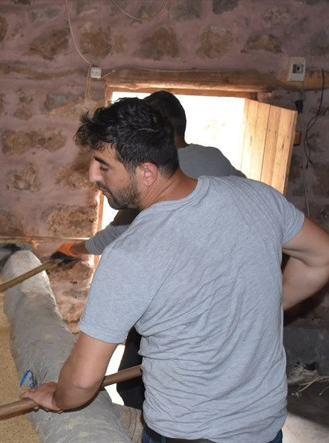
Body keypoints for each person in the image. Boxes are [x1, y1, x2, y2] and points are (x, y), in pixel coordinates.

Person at [29, 97, 329, 443]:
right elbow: (324, 256)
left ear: (147, 172)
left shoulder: (132, 253)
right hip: (264, 437)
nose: (94, 176)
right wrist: (263, 308)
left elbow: (82, 380)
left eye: (103, 166)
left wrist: (58, 399)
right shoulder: (257, 197)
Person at [54, 90, 246, 409]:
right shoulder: (216, 158)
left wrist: (76, 248)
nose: (95, 175)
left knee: (133, 384)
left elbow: (119, 230)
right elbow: (244, 194)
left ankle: (142, 437)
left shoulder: (150, 174)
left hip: (167, 298)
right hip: (218, 296)